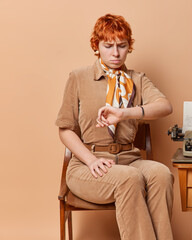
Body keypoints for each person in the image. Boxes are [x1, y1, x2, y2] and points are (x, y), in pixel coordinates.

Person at [56, 14, 174, 240]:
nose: (116, 53)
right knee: (129, 178)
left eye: (122, 46)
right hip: (87, 164)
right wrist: (91, 161)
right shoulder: (79, 77)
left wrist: (125, 113)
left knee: (161, 174)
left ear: (129, 47)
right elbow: (65, 129)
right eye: (108, 46)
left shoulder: (137, 79)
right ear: (97, 46)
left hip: (130, 159)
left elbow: (165, 106)